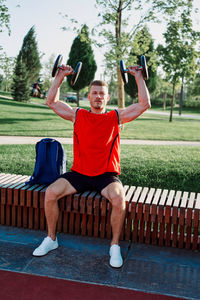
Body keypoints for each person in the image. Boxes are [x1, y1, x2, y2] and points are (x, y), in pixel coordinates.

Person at [32, 62, 151, 268]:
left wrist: (139, 77)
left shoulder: (116, 117)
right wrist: (59, 77)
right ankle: (51, 239)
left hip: (105, 176)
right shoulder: (78, 115)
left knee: (118, 197)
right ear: (89, 96)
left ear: (107, 97)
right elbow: (51, 101)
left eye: (102, 94)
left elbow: (144, 104)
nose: (98, 97)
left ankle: (114, 246)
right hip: (79, 173)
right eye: (94, 93)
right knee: (51, 192)